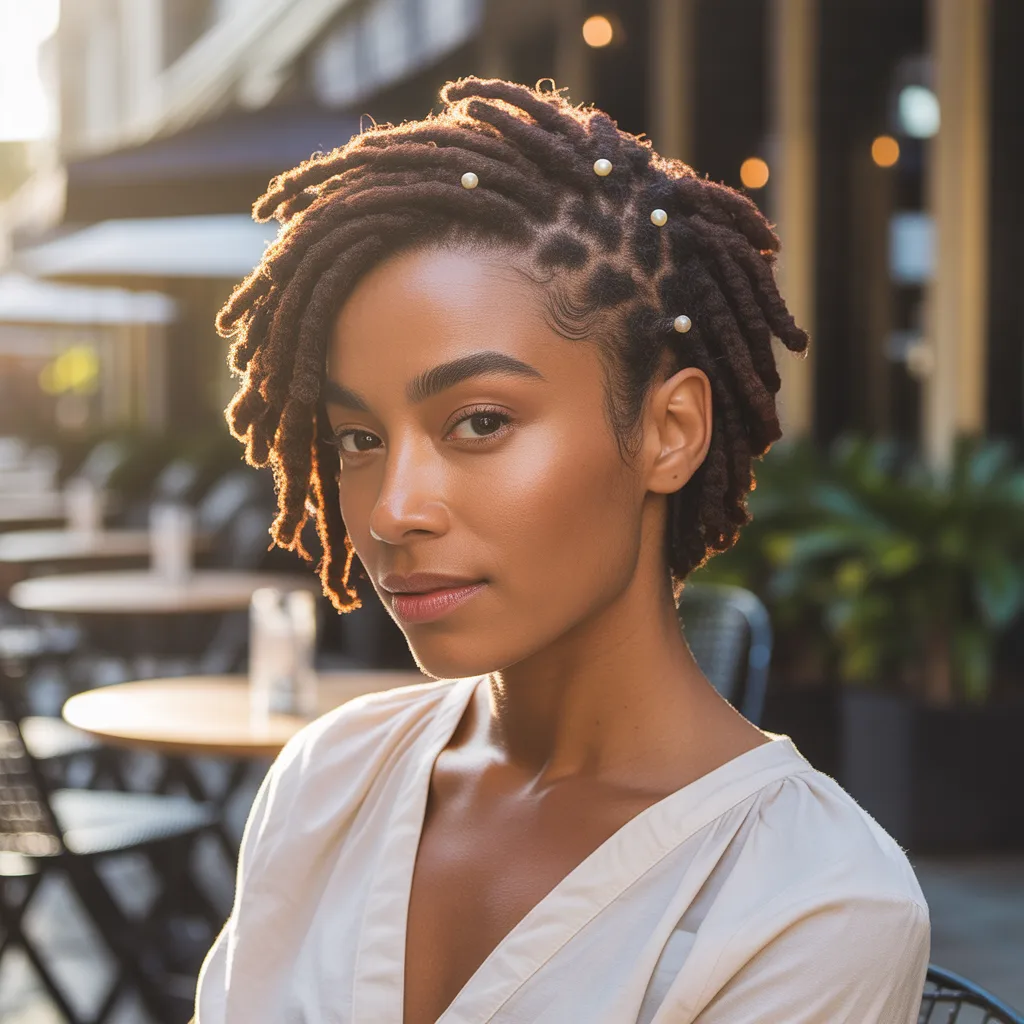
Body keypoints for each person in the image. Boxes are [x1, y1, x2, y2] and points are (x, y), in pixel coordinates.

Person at [194, 78, 929, 1023]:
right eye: (359, 439)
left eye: (480, 422)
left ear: (669, 431)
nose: (394, 511)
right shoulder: (328, 781)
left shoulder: (809, 902)